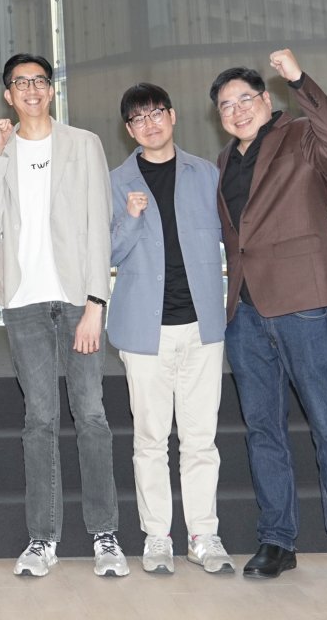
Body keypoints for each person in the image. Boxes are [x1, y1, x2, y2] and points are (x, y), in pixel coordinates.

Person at [211, 50, 327, 589]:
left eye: (245, 99)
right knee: (263, 432)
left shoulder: (301, 135)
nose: (237, 110)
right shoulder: (222, 162)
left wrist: (299, 79)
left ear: (266, 100)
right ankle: (277, 540)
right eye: (226, 105)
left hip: (301, 302)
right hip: (244, 311)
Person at [0, 53, 124, 578]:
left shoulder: (83, 144)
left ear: (51, 90)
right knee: (38, 421)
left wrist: (96, 303)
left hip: (78, 298)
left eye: (40, 81)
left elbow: (99, 224)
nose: (32, 90)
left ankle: (105, 533)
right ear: (8, 95)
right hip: (24, 302)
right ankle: (42, 538)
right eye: (21, 83)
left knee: (92, 415)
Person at [108, 82, 232, 575]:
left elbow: (234, 238)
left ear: (173, 116)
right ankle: (157, 536)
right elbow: (105, 253)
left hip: (203, 327)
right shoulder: (115, 182)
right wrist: (131, 218)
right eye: (138, 118)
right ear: (128, 129)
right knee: (150, 440)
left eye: (156, 112)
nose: (149, 124)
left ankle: (204, 534)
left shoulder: (207, 175)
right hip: (145, 332)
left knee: (201, 439)